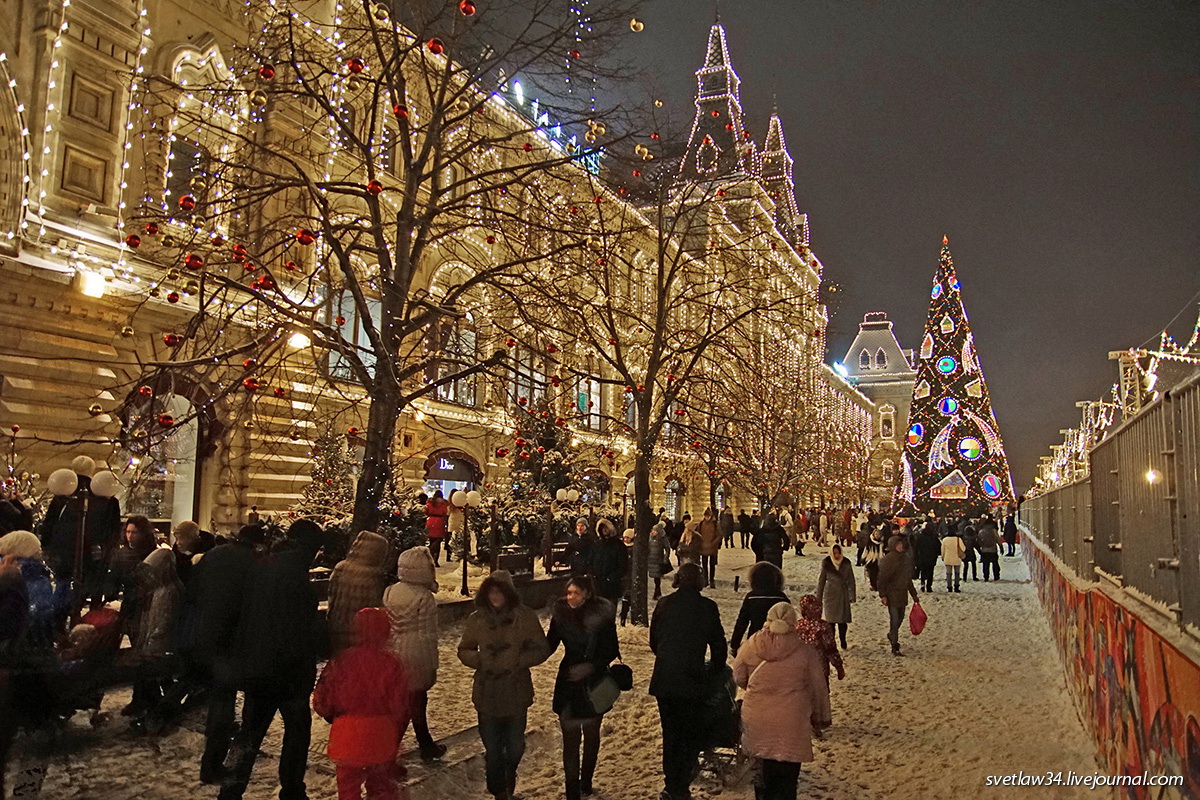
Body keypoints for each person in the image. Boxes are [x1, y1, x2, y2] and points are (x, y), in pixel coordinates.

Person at [221, 519, 327, 800]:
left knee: (249, 735)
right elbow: (305, 629)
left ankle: (230, 790)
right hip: (289, 673)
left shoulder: (263, 566)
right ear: (311, 548)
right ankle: (293, 790)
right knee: (296, 734)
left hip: (258, 667)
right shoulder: (296, 579)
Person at [457, 570, 551, 800]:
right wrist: (479, 660)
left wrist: (518, 660)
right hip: (487, 692)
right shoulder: (477, 619)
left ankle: (508, 778)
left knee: (515, 745)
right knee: (493, 747)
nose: (495, 596)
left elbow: (542, 648)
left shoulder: (525, 617)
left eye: (499, 591)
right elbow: (464, 648)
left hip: (515, 690)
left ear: (508, 593)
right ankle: (499, 790)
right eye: (491, 591)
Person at [732, 602, 830, 800]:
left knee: (762, 770)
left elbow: (738, 675)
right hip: (792, 718)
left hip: (758, 716)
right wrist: (821, 716)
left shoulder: (751, 645)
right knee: (787, 776)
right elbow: (818, 687)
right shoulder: (805, 652)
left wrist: (756, 689)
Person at [192, 523, 265, 785]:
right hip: (232, 643)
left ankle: (211, 762)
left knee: (219, 701)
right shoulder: (253, 564)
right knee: (225, 704)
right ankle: (214, 764)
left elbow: (193, 589)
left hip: (207, 636)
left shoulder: (215, 555)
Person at [313, 607, 410, 800]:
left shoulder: (341, 661)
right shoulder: (391, 663)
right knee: (382, 787)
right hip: (381, 735)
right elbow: (401, 706)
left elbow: (321, 700)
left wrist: (335, 717)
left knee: (348, 788)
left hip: (346, 735)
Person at [649, 562, 726, 800]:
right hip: (692, 678)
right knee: (690, 734)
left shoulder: (664, 604)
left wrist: (667, 656)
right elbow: (718, 645)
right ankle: (680, 784)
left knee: (670, 733)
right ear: (699, 581)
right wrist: (714, 671)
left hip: (665, 678)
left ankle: (671, 784)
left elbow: (654, 641)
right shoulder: (707, 607)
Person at [546, 576, 619, 800]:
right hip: (569, 680)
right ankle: (571, 789)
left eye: (575, 592)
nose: (570, 597)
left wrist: (591, 666)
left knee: (591, 735)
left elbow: (611, 649)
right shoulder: (561, 615)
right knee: (570, 739)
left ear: (587, 593)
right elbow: (549, 644)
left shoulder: (602, 617)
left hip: (593, 682)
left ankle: (586, 781)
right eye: (568, 592)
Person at [383, 546, 446, 762]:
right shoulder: (423, 596)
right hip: (417, 653)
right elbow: (427, 635)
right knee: (416, 701)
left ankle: (423, 743)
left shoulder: (390, 591)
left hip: (394, 649)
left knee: (404, 701)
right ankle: (397, 750)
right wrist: (432, 665)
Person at [37, 456, 122, 604]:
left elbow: (49, 525)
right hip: (94, 553)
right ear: (92, 470)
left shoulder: (62, 495)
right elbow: (113, 530)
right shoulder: (106, 497)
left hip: (63, 552)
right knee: (92, 590)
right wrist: (107, 550)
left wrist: (47, 547)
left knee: (62, 588)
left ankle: (60, 619)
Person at [128, 548, 182, 727]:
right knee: (154, 679)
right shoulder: (158, 591)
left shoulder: (168, 591)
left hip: (159, 646)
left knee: (157, 678)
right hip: (154, 643)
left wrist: (154, 639)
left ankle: (161, 714)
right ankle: (158, 712)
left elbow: (165, 620)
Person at [327, 530, 391, 655]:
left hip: (336, 628)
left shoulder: (340, 567)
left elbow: (332, 597)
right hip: (359, 634)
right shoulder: (372, 575)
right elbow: (372, 607)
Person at [730, 561, 789, 656]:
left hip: (755, 640)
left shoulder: (751, 597)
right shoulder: (781, 598)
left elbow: (741, 622)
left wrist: (735, 644)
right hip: (777, 642)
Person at [877, 535, 919, 656]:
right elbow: (882, 579)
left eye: (901, 545)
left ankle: (891, 635)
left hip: (902, 594)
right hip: (892, 594)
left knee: (900, 618)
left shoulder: (905, 559)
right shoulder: (888, 560)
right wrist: (883, 595)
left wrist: (914, 594)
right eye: (898, 545)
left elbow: (908, 579)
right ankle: (894, 645)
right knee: (894, 620)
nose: (900, 547)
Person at [796, 594, 844, 692]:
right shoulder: (823, 626)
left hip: (801, 669)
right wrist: (838, 666)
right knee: (821, 696)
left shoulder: (797, 626)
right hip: (820, 669)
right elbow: (831, 649)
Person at [816, 544, 855, 649]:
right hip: (830, 595)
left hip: (842, 594)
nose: (837, 555)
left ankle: (843, 640)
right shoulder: (827, 563)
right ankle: (832, 642)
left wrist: (852, 595)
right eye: (835, 553)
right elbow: (822, 581)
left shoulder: (846, 563)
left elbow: (851, 580)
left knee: (842, 621)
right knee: (830, 622)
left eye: (838, 553)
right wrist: (818, 597)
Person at [589, 519, 628, 611]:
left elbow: (623, 565)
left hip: (612, 584)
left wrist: (613, 577)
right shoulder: (597, 544)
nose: (604, 530)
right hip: (598, 582)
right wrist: (592, 573)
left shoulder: (618, 545)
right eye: (602, 528)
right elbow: (590, 560)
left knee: (610, 609)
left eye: (606, 528)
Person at [914, 521, 941, 593]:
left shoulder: (921, 536)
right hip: (932, 557)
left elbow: (916, 547)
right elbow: (938, 547)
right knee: (930, 571)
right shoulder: (934, 537)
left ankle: (922, 584)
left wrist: (916, 555)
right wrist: (938, 553)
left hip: (922, 556)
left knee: (923, 570)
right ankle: (929, 586)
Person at [647, 521, 671, 601]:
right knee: (654, 577)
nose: (653, 532)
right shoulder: (649, 537)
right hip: (651, 559)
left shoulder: (662, 538)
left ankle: (657, 592)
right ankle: (658, 592)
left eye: (655, 530)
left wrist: (666, 558)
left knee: (657, 577)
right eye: (652, 530)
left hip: (658, 559)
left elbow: (667, 548)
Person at [697, 508, 721, 585]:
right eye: (705, 516)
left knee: (712, 565)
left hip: (712, 548)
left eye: (708, 516)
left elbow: (719, 535)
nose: (707, 518)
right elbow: (698, 534)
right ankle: (705, 579)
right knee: (704, 565)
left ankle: (711, 579)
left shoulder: (715, 524)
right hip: (703, 547)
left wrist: (713, 543)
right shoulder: (701, 524)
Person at [425, 490, 449, 566]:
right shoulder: (444, 504)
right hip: (440, 522)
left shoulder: (430, 503)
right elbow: (445, 513)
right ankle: (435, 560)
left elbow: (427, 511)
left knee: (431, 540)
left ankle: (430, 556)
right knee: (438, 541)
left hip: (431, 521)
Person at [977, 515, 1001, 582]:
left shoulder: (981, 532)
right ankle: (996, 576)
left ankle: (986, 577)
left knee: (985, 565)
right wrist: (1001, 547)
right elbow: (998, 539)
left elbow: (978, 540)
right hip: (993, 549)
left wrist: (981, 547)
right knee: (995, 564)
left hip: (984, 550)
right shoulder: (993, 531)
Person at [942, 524, 965, 593]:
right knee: (957, 573)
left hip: (948, 558)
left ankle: (949, 587)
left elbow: (942, 550)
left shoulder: (945, 540)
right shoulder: (958, 539)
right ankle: (956, 586)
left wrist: (943, 557)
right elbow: (963, 548)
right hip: (957, 558)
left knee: (948, 573)